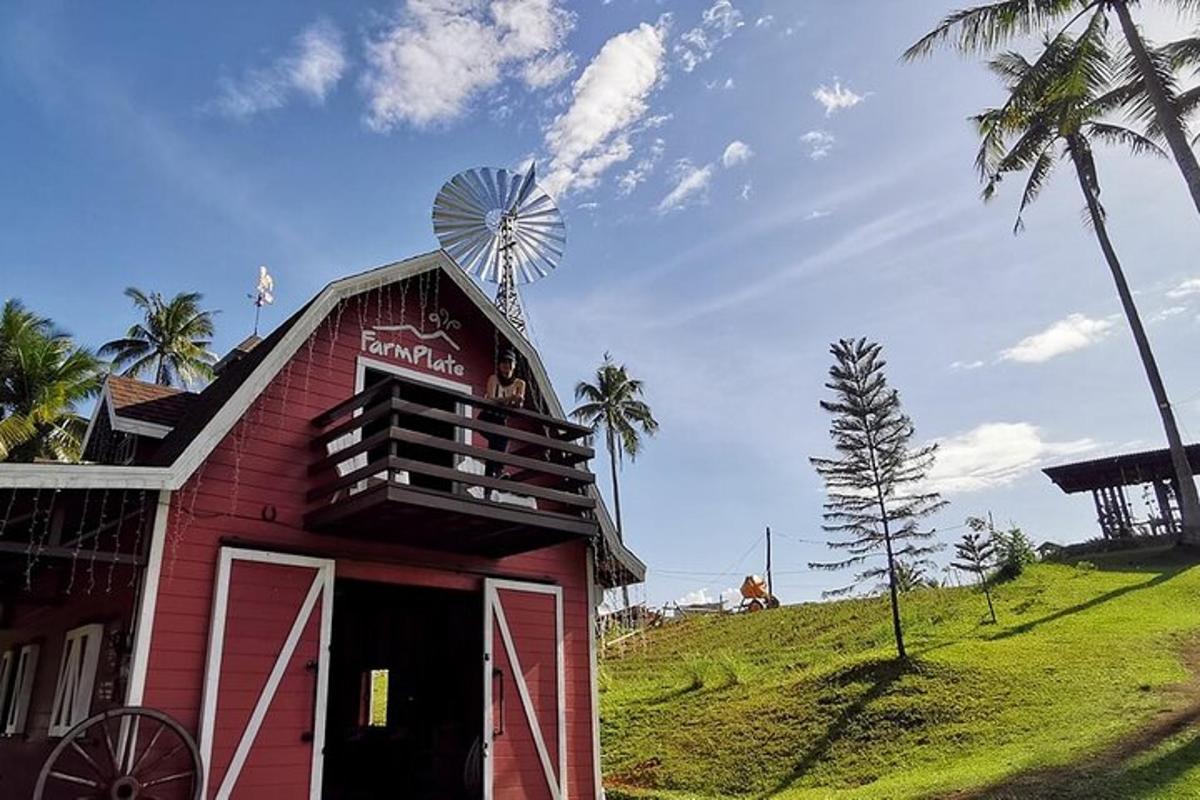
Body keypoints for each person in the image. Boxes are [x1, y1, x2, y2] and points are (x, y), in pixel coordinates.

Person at [481, 349, 526, 480]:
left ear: (514, 365)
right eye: (503, 362)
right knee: (501, 438)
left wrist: (515, 400)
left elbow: (519, 402)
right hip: (488, 416)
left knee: (495, 445)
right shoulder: (494, 379)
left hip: (501, 419)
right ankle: (498, 470)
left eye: (509, 362)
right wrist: (510, 399)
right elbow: (490, 398)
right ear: (499, 365)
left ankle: (489, 482)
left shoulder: (519, 383)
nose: (506, 365)